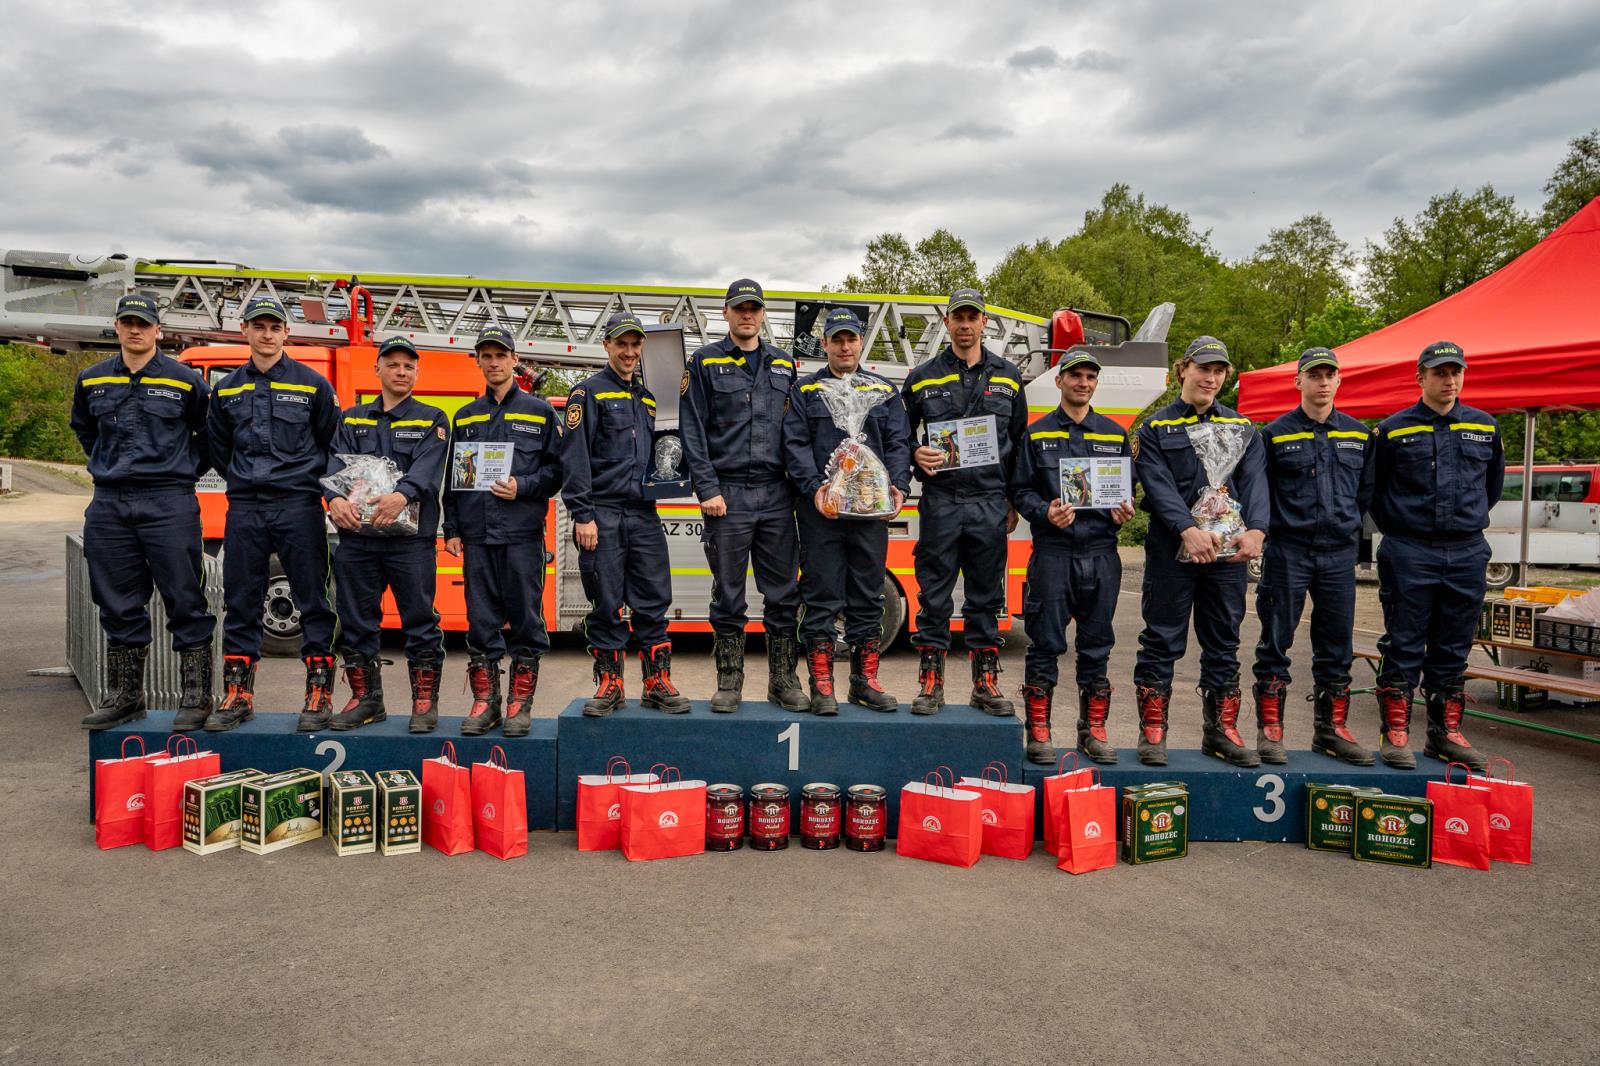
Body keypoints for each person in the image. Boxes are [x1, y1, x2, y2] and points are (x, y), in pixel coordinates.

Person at [71, 293, 215, 731]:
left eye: (144, 323)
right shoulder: (92, 379)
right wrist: (109, 466)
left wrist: (183, 469)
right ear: (117, 327)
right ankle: (126, 697)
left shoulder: (186, 380)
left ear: (158, 330)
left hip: (168, 500)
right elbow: (84, 428)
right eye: (127, 322)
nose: (135, 330)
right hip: (110, 503)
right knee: (116, 602)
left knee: (185, 598)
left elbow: (209, 434)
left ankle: (196, 697)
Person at [205, 294, 339, 732]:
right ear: (244, 331)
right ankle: (237, 693)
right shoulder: (225, 389)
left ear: (286, 332)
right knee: (241, 599)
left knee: (313, 600)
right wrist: (247, 480)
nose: (266, 334)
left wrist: (298, 482)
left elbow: (329, 444)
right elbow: (218, 448)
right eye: (258, 326)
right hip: (245, 506)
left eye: (274, 327)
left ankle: (318, 693)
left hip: (299, 505)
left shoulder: (313, 384)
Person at [1132, 336, 1268, 767]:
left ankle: (1221, 730)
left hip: (1227, 555)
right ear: (1183, 370)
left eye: (1219, 371)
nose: (1211, 377)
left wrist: (1258, 530)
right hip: (1172, 551)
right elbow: (1156, 483)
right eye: (1203, 368)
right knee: (1160, 639)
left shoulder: (1243, 429)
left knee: (1224, 641)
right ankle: (1153, 731)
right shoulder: (1155, 428)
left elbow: (1256, 482)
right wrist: (1186, 528)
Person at [1370, 341, 1503, 771]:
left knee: (1454, 646)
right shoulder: (1393, 429)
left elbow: (1493, 488)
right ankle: (1396, 733)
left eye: (1455, 372)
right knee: (1404, 642)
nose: (1449, 380)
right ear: (1420, 377)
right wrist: (1405, 527)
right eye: (1440, 372)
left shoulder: (1485, 427)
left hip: (1465, 550)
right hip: (1409, 549)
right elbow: (1374, 491)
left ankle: (1445, 734)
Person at [679, 279, 806, 713]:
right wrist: (707, 488)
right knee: (729, 592)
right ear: (726, 313)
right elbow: (691, 429)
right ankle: (730, 680)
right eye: (739, 308)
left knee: (784, 592)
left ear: (763, 313)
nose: (747, 315)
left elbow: (799, 430)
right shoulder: (703, 362)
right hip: (727, 495)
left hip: (776, 495)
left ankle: (783, 679)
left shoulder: (785, 364)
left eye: (753, 308)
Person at [901, 288, 1028, 717]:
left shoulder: (1009, 376)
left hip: (990, 501)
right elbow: (899, 437)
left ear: (984, 322)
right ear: (948, 323)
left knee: (986, 595)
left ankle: (985, 684)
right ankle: (931, 684)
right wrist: (915, 455)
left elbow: (1020, 444)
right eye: (958, 317)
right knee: (934, 595)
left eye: (973, 317)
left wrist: (1013, 499)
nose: (965, 324)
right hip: (941, 500)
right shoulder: (921, 376)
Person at [781, 308, 912, 714]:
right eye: (836, 339)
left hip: (871, 515)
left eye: (850, 339)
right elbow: (794, 445)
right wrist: (815, 488)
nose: (844, 346)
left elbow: (899, 443)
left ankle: (864, 680)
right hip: (823, 514)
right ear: (825, 345)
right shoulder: (805, 391)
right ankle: (822, 683)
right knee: (821, 595)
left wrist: (899, 487)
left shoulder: (884, 391)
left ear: (860, 343)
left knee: (869, 597)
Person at [1008, 350, 1136, 764]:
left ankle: (1092, 730)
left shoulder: (1114, 435)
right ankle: (1039, 732)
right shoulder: (1037, 433)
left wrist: (1125, 510)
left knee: (1097, 645)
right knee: (1044, 643)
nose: (1083, 383)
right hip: (1054, 553)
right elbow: (1020, 490)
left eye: (1089, 377)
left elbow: (1128, 491)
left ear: (1096, 384)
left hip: (1101, 553)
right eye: (1075, 376)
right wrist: (1043, 510)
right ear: (1060, 381)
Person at [1252, 347, 1376, 766]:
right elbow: (1260, 494)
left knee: (1337, 646)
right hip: (1288, 552)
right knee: (1274, 642)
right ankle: (1271, 731)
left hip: (1338, 555)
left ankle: (1331, 729)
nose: (1323, 382)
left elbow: (1367, 494)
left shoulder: (1360, 435)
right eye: (1314, 375)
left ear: (1340, 380)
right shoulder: (1274, 434)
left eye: (1330, 375)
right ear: (1298, 381)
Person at [562, 312, 689, 716]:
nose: (630, 352)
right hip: (603, 512)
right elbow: (575, 459)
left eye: (636, 345)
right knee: (607, 602)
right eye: (622, 344)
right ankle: (610, 685)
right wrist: (583, 515)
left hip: (644, 512)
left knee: (654, 597)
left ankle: (656, 682)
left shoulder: (649, 398)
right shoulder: (587, 394)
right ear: (607, 346)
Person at [323, 336, 450, 733]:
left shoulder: (433, 419)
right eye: (392, 364)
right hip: (357, 540)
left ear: (416, 373)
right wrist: (333, 500)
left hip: (410, 543)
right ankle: (366, 700)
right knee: (356, 621)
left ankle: (424, 704)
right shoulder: (352, 417)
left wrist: (402, 495)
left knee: (420, 620)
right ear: (376, 369)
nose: (401, 371)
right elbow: (333, 466)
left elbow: (429, 470)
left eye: (408, 366)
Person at [442, 325, 563, 736]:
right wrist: (452, 527)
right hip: (476, 536)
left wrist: (523, 486)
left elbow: (556, 472)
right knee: (480, 620)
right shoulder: (466, 416)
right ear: (478, 361)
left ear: (515, 360)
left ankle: (519, 704)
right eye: (486, 355)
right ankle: (486, 701)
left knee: (527, 619)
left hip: (521, 535)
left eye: (500, 355)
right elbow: (453, 479)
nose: (493, 362)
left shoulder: (540, 412)